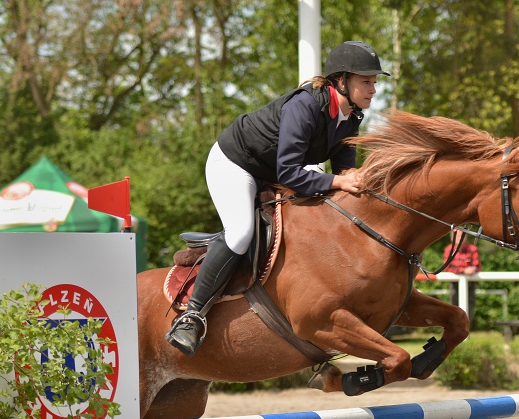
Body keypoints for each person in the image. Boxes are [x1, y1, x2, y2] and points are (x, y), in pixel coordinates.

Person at [166, 41, 389, 356]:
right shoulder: (307, 105)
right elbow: (290, 173)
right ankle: (192, 316)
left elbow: (344, 175)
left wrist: (361, 182)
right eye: (366, 81)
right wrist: (340, 179)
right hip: (235, 162)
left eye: (374, 82)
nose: (373, 89)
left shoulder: (351, 117)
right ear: (341, 80)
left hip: (273, 169)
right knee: (242, 232)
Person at [443, 237, 481, 323]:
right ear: (452, 238)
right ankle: (455, 326)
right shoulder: (449, 249)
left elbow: (476, 265)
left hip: (470, 282)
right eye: (457, 236)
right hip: (454, 282)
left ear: (465, 237)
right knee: (454, 304)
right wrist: (463, 270)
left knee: (470, 305)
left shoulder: (472, 248)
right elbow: (447, 266)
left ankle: (466, 327)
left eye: (461, 235)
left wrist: (473, 269)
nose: (459, 238)